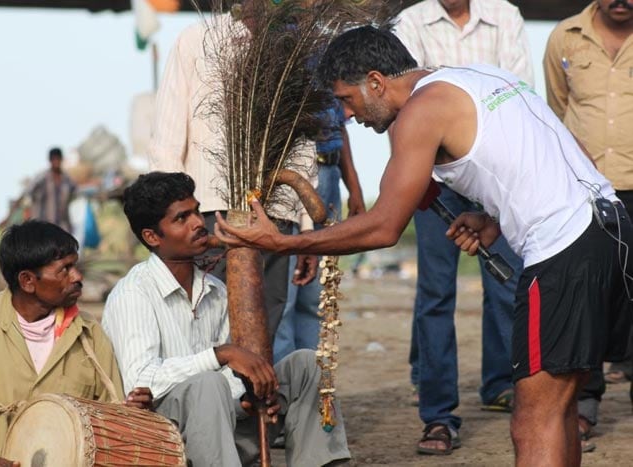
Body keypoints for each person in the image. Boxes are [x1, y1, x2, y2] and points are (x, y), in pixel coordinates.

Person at [215, 26, 633, 466]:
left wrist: (283, 241)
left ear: (375, 81)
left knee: (532, 419)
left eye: (347, 99)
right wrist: (496, 218)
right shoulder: (483, 77)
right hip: (612, 232)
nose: (349, 115)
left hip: (563, 254)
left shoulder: (421, 111)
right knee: (560, 406)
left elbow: (383, 227)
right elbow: (572, 151)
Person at [101, 171, 351, 467]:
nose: (197, 222)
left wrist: (248, 399)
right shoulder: (133, 292)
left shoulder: (216, 290)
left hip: (223, 432)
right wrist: (221, 355)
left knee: (308, 366)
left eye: (196, 211)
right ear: (152, 237)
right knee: (207, 384)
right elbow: (141, 380)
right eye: (182, 218)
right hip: (167, 442)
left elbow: (228, 381)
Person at [392, 0, 532, 453]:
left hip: (493, 173)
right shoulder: (410, 22)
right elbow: (405, 100)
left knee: (507, 283)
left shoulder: (505, 15)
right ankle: (438, 415)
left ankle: (501, 385)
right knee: (435, 291)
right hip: (433, 175)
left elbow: (519, 91)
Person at [148, 2, 319, 343]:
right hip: (208, 212)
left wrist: (307, 230)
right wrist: (174, 220)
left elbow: (301, 144)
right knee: (204, 329)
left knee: (265, 329)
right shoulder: (196, 40)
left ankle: (254, 397)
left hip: (276, 216)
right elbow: (167, 140)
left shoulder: (294, 45)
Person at [0, 220, 150, 467]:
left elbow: (110, 421)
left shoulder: (90, 334)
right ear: (27, 281)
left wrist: (130, 412)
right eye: (65, 269)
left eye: (76, 266)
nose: (78, 277)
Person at [544, 0, 633, 452]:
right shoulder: (564, 36)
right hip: (587, 189)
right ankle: (586, 404)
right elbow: (558, 110)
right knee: (589, 294)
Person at [274, 100, 366, 363]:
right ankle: (286, 390)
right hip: (290, 178)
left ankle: (311, 389)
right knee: (286, 298)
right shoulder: (285, 60)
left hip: (330, 174)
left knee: (316, 297)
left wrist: (355, 187)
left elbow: (341, 128)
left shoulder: (332, 61)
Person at [26, 147, 76, 233]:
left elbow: (76, 192)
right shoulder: (41, 178)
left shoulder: (67, 180)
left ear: (61, 159)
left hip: (61, 226)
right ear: (50, 160)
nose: (56, 161)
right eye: (54, 159)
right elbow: (29, 193)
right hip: (43, 226)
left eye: (58, 159)